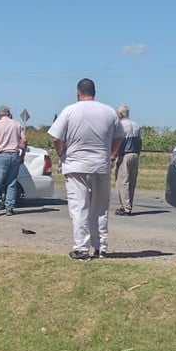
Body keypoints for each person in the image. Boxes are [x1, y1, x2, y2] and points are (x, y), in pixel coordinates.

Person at [48, 78, 123, 260]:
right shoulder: (109, 112)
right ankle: (101, 246)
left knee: (79, 207)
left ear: (78, 92)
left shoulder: (69, 110)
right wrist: (111, 155)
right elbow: (120, 137)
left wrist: (62, 153)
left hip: (75, 164)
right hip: (100, 165)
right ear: (95, 92)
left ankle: (81, 247)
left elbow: (56, 137)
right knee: (100, 207)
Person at [0, 105, 26, 217]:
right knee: (11, 183)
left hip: (1, 155)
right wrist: (22, 155)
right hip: (14, 154)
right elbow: (25, 141)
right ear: (9, 113)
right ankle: (10, 208)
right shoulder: (17, 125)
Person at [112, 104, 142, 215]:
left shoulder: (120, 126)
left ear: (120, 114)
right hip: (135, 155)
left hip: (125, 155)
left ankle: (125, 207)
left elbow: (116, 142)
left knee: (122, 182)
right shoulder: (136, 125)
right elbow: (140, 143)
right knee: (132, 182)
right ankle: (129, 205)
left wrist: (113, 156)